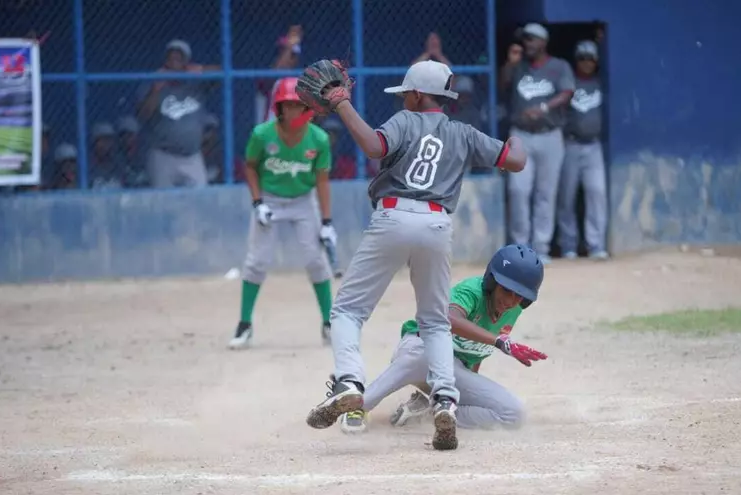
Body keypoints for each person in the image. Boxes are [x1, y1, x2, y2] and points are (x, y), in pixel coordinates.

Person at [298, 59, 527, 451]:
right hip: (437, 225)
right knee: (436, 323)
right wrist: (517, 138)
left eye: (407, 93)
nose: (405, 99)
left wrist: (340, 103)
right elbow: (515, 161)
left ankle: (350, 382)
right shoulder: (464, 133)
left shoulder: (405, 121)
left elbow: (373, 146)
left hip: (393, 215)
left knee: (348, 312)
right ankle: (444, 400)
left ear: (419, 95)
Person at [338, 244, 547, 434]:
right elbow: (448, 318)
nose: (511, 301)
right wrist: (499, 341)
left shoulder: (513, 309)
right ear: (492, 281)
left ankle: (430, 410)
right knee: (423, 356)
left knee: (514, 415)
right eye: (506, 291)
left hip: (452, 372)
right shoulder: (472, 291)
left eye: (519, 296)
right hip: (420, 348)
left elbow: (475, 354)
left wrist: (468, 387)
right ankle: (357, 406)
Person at [228, 77, 337, 349]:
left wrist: (326, 221)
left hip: (303, 200)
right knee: (257, 261)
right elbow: (250, 166)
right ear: (279, 108)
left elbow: (322, 181)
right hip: (271, 200)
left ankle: (328, 323)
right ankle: (244, 325)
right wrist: (257, 202)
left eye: (300, 105)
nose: (295, 111)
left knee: (316, 260)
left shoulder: (319, 138)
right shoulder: (262, 134)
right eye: (289, 105)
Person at [500, 23, 575, 264]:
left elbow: (568, 92)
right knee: (518, 190)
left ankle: (541, 248)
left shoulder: (559, 66)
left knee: (546, 193)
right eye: (525, 40)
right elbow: (502, 85)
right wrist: (510, 63)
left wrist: (544, 107)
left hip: (550, 135)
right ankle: (520, 247)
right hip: (520, 135)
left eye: (532, 40)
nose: (527, 44)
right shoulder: (518, 65)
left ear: (543, 42)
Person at [136, 39, 217, 188]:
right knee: (162, 203)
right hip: (163, 155)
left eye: (179, 59)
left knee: (202, 199)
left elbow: (220, 73)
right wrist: (156, 88)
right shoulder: (153, 82)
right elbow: (143, 115)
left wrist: (199, 70)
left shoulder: (196, 82)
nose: (174, 63)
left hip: (192, 155)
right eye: (171, 58)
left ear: (186, 62)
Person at [557, 40, 609, 260]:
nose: (587, 63)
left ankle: (596, 245)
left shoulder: (601, 83)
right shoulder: (569, 83)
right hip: (570, 143)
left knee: (596, 193)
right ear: (576, 61)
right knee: (566, 196)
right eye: (582, 58)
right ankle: (568, 245)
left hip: (593, 146)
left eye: (591, 59)